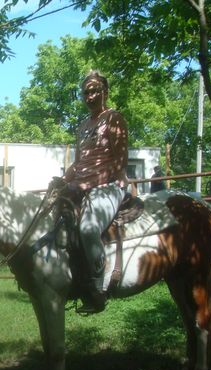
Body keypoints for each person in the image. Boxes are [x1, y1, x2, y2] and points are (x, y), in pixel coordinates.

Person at [63, 70, 129, 313]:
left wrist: (88, 184)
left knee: (88, 229)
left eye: (94, 90)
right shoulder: (82, 126)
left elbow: (120, 162)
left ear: (105, 92)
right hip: (80, 186)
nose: (89, 95)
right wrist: (62, 181)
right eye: (85, 92)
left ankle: (97, 292)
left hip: (108, 187)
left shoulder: (114, 119)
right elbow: (77, 163)